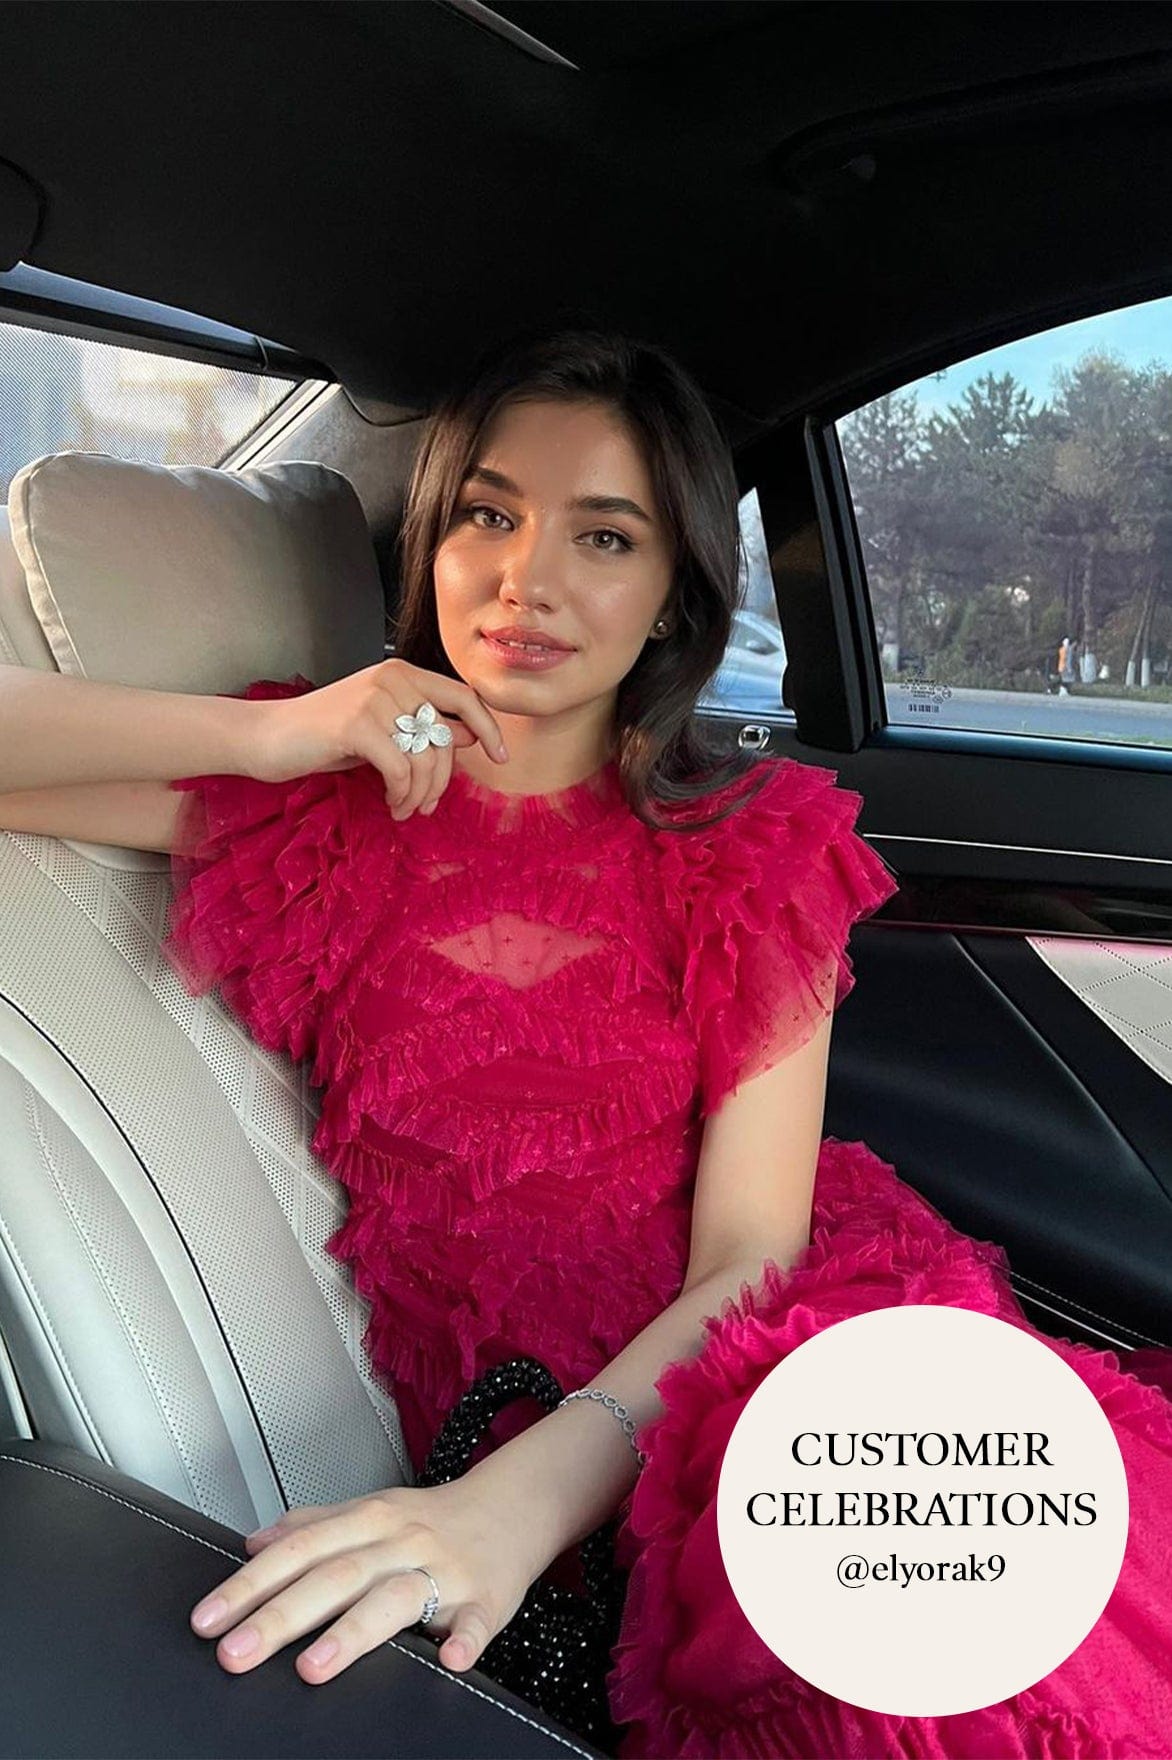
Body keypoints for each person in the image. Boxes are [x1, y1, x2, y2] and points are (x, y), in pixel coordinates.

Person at [9, 324, 1172, 1757]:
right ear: (432, 546)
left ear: (676, 594)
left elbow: (750, 1258)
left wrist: (514, 1504)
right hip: (515, 1406)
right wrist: (271, 734)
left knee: (990, 1635)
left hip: (750, 1351)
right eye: (487, 516)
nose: (527, 580)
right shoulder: (316, 816)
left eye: (605, 537)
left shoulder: (748, 851)